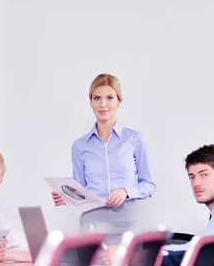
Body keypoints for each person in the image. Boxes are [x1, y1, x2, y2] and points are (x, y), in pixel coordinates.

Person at [52, 73, 156, 242]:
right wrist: (67, 197)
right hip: (91, 226)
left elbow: (149, 185)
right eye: (97, 98)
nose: (103, 104)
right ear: (91, 102)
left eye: (109, 98)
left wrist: (126, 192)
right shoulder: (79, 145)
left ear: (119, 101)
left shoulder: (135, 139)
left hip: (127, 226)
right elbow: (81, 191)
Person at [164, 144, 214, 251]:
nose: (196, 183)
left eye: (204, 174)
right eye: (192, 177)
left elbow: (200, 251)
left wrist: (153, 254)